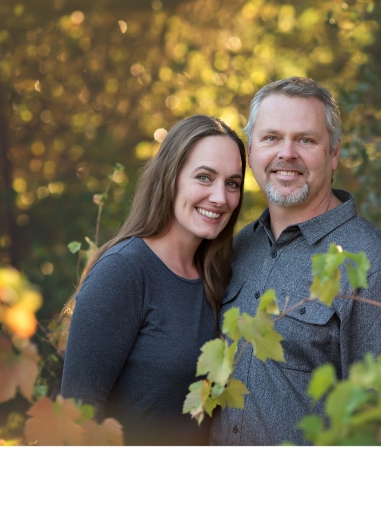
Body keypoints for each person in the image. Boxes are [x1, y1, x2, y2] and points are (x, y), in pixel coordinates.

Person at [209, 77, 381, 446]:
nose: (286, 153)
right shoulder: (240, 246)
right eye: (271, 138)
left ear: (333, 152)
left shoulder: (376, 264)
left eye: (305, 140)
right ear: (251, 150)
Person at [60, 114, 246, 445]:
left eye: (232, 183)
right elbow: (76, 418)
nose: (220, 197)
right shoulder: (123, 272)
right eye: (204, 177)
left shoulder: (219, 275)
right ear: (170, 178)